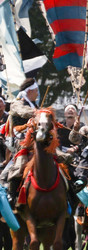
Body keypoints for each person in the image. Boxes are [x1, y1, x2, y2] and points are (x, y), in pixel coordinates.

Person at [3, 78, 39, 207]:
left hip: (37, 140)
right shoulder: (17, 104)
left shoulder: (35, 105)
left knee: (60, 158)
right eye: (35, 91)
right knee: (21, 162)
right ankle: (11, 194)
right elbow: (24, 113)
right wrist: (38, 113)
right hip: (20, 140)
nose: (37, 93)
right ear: (29, 91)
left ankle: (71, 191)